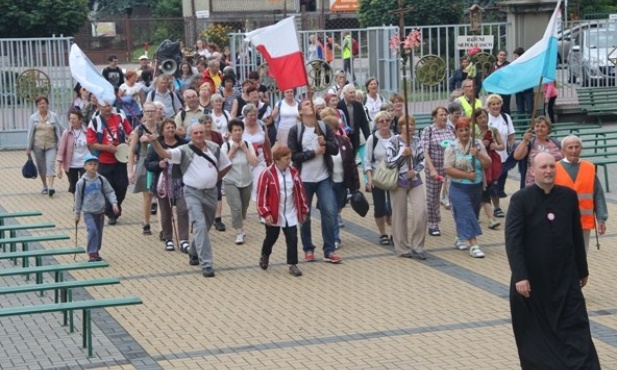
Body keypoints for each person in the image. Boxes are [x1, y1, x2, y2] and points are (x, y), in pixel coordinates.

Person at [505, 152, 601, 369]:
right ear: (532, 171)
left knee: (576, 328)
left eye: (551, 167)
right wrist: (520, 276)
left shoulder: (567, 196)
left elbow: (576, 235)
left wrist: (582, 270)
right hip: (533, 282)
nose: (548, 171)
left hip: (565, 278)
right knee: (538, 337)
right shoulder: (521, 200)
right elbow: (513, 241)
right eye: (543, 167)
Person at [147, 122, 231, 277]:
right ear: (190, 135)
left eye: (201, 132)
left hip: (211, 192)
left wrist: (215, 178)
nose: (199, 135)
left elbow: (227, 165)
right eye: (195, 133)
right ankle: (206, 263)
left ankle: (193, 250)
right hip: (192, 192)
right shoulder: (184, 150)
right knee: (199, 224)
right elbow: (165, 154)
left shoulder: (214, 148)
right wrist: (154, 141)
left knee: (205, 226)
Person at [288, 99, 342, 264]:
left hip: (323, 177)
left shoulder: (323, 127)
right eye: (305, 104)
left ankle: (329, 249)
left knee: (330, 211)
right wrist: (314, 152)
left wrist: (325, 142)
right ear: (300, 112)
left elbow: (335, 149)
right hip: (304, 179)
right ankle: (308, 249)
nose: (309, 106)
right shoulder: (295, 131)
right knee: (305, 215)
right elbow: (293, 156)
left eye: (310, 103)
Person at [256, 145, 309, 277]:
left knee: (292, 238)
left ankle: (292, 264)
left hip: (290, 212)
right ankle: (265, 254)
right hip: (274, 213)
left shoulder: (294, 173)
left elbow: (300, 192)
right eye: (287, 159)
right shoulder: (267, 174)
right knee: (271, 238)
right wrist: (265, 213)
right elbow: (261, 196)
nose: (289, 161)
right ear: (278, 159)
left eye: (290, 158)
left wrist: (303, 210)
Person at [444, 117, 491, 257]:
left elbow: (487, 164)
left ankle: (459, 237)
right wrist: (466, 175)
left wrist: (479, 154)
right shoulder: (452, 147)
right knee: (467, 212)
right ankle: (474, 245)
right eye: (461, 130)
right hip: (458, 188)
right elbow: (447, 168)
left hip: (476, 187)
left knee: (471, 215)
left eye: (466, 129)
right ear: (456, 132)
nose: (464, 133)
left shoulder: (477, 144)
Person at [554, 135, 608, 252]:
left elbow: (598, 194)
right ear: (563, 150)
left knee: (581, 254)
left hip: (584, 222)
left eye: (576, 147)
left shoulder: (589, 168)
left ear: (581, 149)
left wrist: (601, 219)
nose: (573, 150)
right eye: (570, 147)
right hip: (561, 221)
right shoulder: (554, 169)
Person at [386, 115, 428, 259]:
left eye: (412, 124)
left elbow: (422, 160)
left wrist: (415, 171)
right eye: (406, 124)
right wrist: (403, 155)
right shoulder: (394, 141)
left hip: (414, 180)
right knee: (399, 216)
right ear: (400, 126)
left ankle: (417, 246)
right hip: (398, 181)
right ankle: (402, 248)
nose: (409, 127)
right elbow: (389, 162)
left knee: (421, 211)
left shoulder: (417, 140)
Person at [86, 98, 133, 225]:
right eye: (104, 106)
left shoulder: (120, 118)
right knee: (107, 189)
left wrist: (130, 140)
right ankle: (111, 213)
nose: (107, 108)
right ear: (99, 107)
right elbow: (91, 143)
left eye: (109, 106)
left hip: (120, 159)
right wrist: (106, 148)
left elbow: (131, 132)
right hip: (104, 161)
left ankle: (116, 206)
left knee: (122, 186)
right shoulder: (95, 122)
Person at [145, 118, 189, 252]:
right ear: (162, 131)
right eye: (167, 128)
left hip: (180, 183)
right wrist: (159, 165)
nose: (170, 130)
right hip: (162, 183)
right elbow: (148, 164)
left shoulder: (183, 143)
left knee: (182, 209)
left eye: (172, 127)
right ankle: (168, 238)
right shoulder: (156, 144)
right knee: (165, 211)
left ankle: (184, 240)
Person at [323, 115, 359, 249]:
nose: (331, 131)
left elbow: (351, 163)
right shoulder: (323, 144)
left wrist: (355, 184)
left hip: (341, 181)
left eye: (333, 129)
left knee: (337, 210)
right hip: (328, 181)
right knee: (330, 210)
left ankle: (331, 234)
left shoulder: (344, 142)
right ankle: (334, 238)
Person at [74, 154, 119, 262]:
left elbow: (109, 191)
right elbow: (78, 198)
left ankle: (96, 251)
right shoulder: (81, 182)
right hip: (88, 211)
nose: (93, 166)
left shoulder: (101, 180)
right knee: (92, 230)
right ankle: (91, 252)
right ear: (85, 166)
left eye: (95, 164)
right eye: (90, 164)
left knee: (99, 232)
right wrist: (77, 213)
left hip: (100, 211)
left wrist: (114, 203)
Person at [221, 119, 258, 245]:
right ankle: (239, 232)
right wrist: (232, 151)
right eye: (235, 130)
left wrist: (244, 149)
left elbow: (254, 162)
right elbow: (222, 164)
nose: (237, 133)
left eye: (239, 130)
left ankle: (239, 222)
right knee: (236, 207)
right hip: (230, 181)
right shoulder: (225, 146)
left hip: (247, 180)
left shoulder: (247, 144)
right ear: (230, 132)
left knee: (243, 207)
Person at [421, 106, 455, 237]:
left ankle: (459, 223)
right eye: (441, 115)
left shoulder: (451, 129)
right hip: (434, 167)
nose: (444, 117)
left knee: (454, 195)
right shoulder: (428, 130)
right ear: (435, 117)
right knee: (432, 197)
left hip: (450, 167)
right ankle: (433, 224)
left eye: (445, 114)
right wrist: (432, 169)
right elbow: (425, 151)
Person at [128, 102, 159, 235]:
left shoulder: (161, 128)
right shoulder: (138, 130)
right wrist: (130, 171)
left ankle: (163, 226)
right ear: (144, 113)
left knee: (161, 195)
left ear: (156, 112)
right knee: (147, 195)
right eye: (147, 111)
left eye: (152, 111)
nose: (150, 113)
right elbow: (131, 151)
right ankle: (146, 223)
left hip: (159, 161)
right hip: (144, 161)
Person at [364, 111, 394, 245]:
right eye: (381, 121)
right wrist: (369, 179)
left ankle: (395, 232)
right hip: (378, 176)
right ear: (377, 123)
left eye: (387, 120)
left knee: (394, 206)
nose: (385, 123)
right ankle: (383, 233)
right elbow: (367, 160)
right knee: (380, 206)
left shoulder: (395, 137)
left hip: (393, 175)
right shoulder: (373, 139)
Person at [472, 108, 504, 230]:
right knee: (483, 190)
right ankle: (490, 218)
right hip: (479, 164)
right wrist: (480, 145)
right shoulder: (473, 132)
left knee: (489, 188)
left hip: (492, 162)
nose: (483, 119)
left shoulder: (493, 130)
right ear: (475, 120)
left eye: (485, 116)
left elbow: (502, 146)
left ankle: (476, 215)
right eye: (480, 117)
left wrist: (495, 145)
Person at [26, 96, 63, 197]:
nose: (42, 105)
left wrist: (61, 143)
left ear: (47, 104)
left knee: (50, 164)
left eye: (44, 103)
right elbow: (30, 133)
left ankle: (51, 186)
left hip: (51, 145)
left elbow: (59, 129)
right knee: (41, 167)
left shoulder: (53, 116)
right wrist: (28, 147)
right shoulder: (33, 118)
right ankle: (45, 185)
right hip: (37, 145)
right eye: (40, 104)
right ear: (37, 106)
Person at [513, 116, 563, 188]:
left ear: (548, 129)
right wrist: (524, 141)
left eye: (543, 126)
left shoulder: (556, 143)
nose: (539, 128)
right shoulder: (530, 143)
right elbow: (517, 156)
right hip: (533, 184)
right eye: (537, 126)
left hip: (555, 183)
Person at [486, 94, 515, 214]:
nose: (496, 106)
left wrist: (511, 148)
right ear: (489, 106)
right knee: (493, 182)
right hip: (490, 156)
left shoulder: (506, 117)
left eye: (498, 103)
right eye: (493, 104)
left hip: (504, 156)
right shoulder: (485, 118)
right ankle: (496, 207)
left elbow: (511, 135)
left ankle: (489, 202)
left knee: (500, 182)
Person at [199, 114, 227, 233]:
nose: (208, 125)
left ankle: (218, 219)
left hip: (215, 168)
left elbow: (221, 150)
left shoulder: (217, 135)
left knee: (218, 193)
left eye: (209, 122)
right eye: (205, 123)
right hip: (201, 169)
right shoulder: (197, 136)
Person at [241, 104, 272, 202]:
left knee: (260, 184)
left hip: (260, 160)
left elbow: (267, 141)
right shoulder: (240, 126)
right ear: (245, 115)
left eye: (255, 114)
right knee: (245, 188)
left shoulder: (261, 125)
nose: (254, 117)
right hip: (244, 160)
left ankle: (261, 209)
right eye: (251, 115)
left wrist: (270, 156)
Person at [56, 110, 90, 196]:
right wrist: (59, 168)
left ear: (80, 120)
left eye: (74, 118)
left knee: (84, 184)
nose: (72, 120)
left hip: (85, 163)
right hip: (71, 165)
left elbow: (93, 146)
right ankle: (77, 202)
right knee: (74, 186)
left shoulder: (87, 132)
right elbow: (61, 151)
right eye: (70, 118)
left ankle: (83, 202)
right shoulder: (66, 133)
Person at [488, 49, 511, 115]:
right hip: (494, 90)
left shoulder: (509, 65)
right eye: (500, 55)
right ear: (497, 56)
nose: (502, 56)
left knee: (504, 107)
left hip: (505, 90)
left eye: (504, 55)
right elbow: (489, 76)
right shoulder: (493, 65)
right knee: (494, 105)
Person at [513, 47, 534, 116]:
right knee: (520, 109)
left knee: (530, 109)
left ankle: (531, 124)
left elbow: (530, 77)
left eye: (516, 56)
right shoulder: (514, 65)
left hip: (528, 90)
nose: (514, 58)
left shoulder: (528, 64)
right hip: (518, 90)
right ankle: (522, 125)